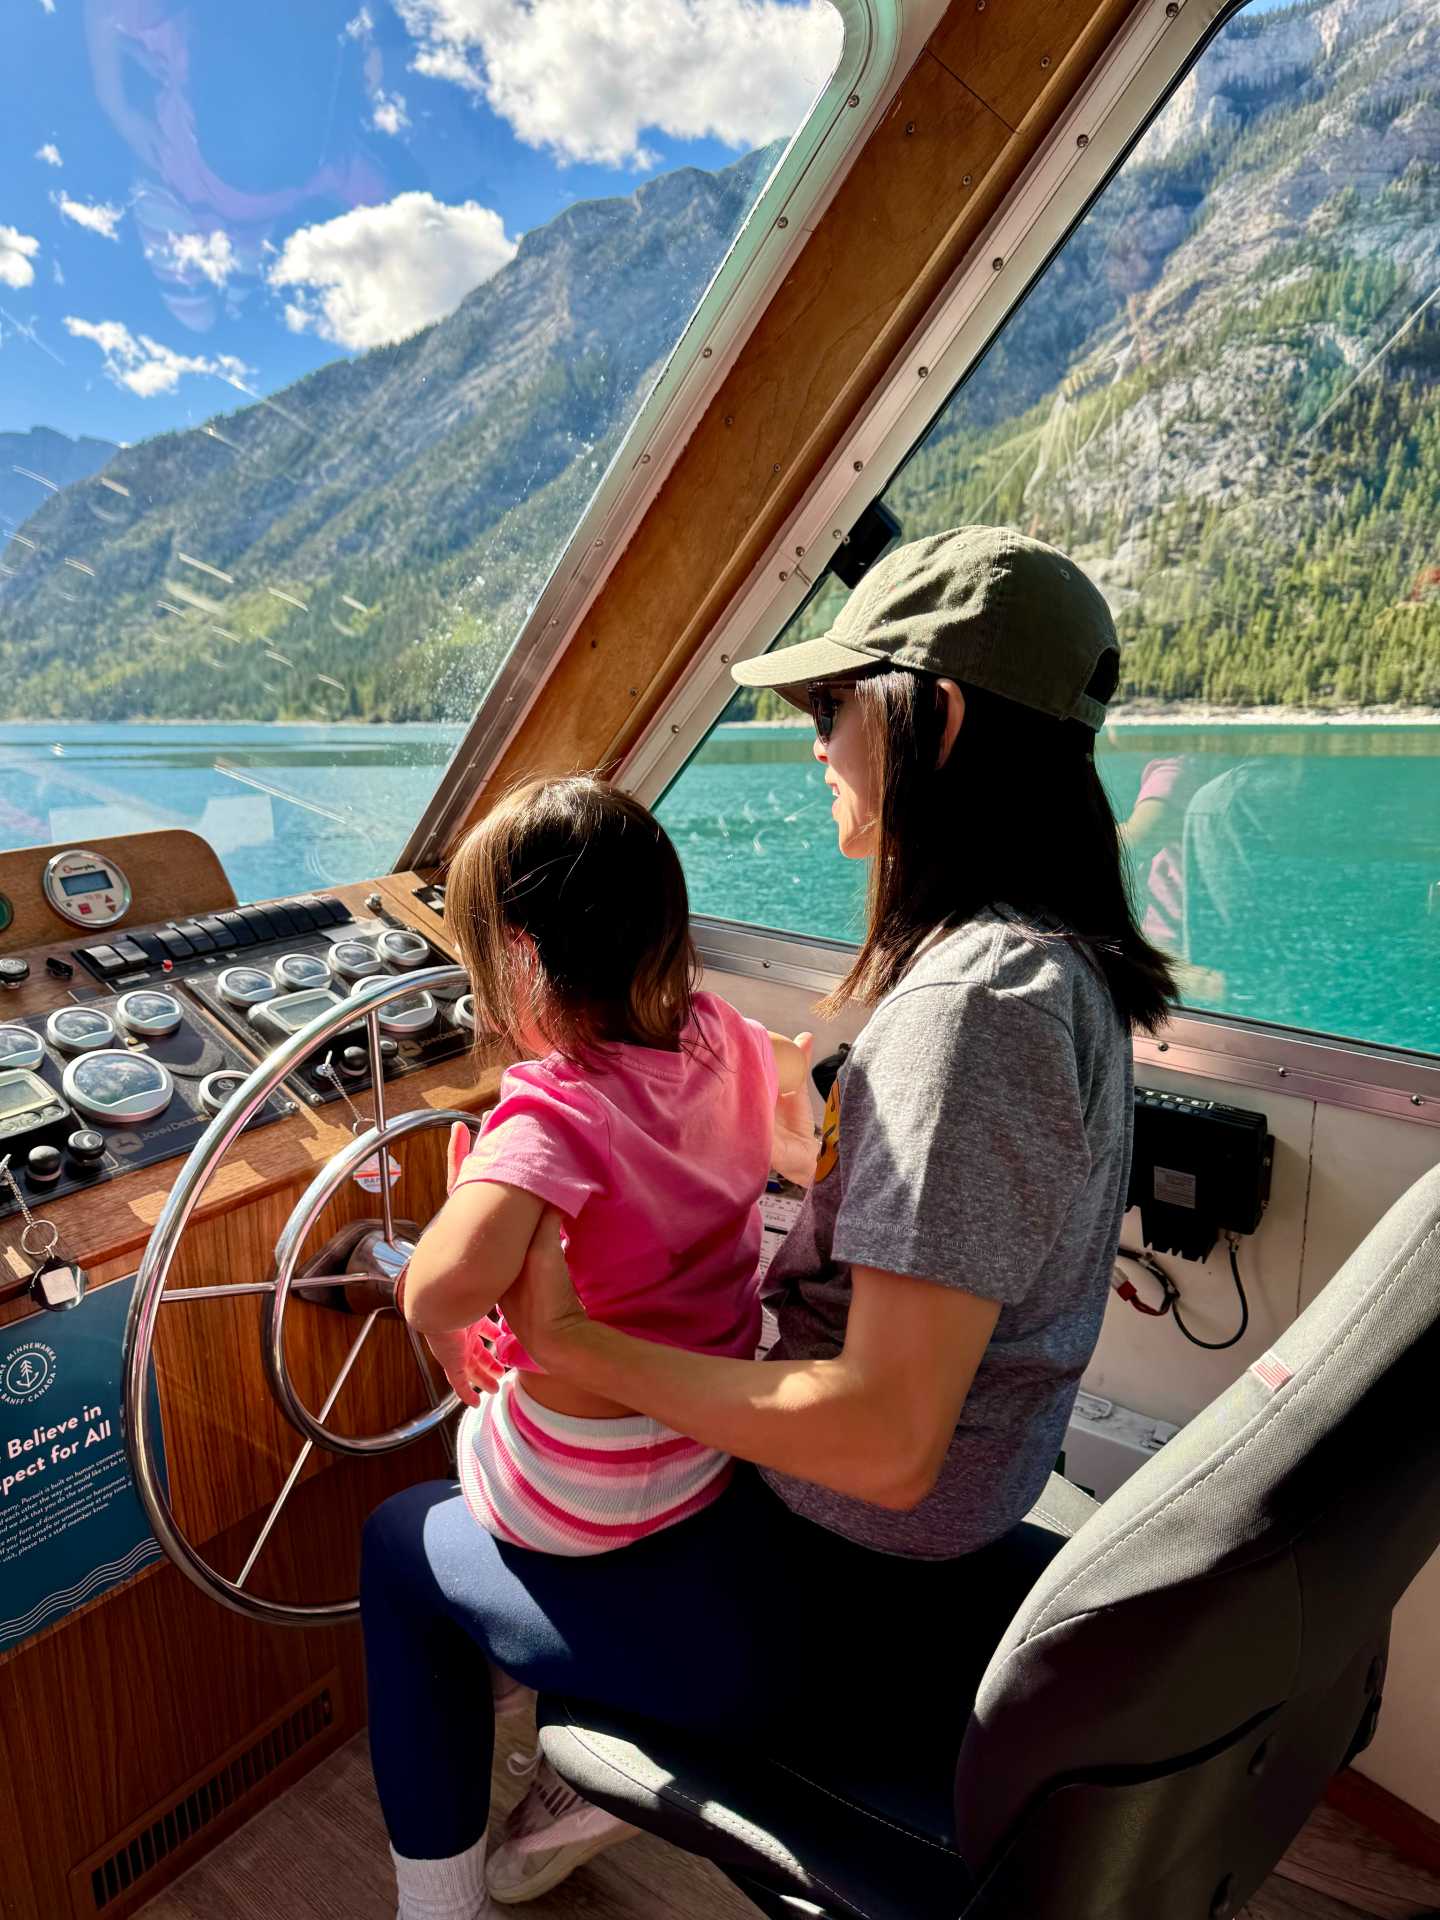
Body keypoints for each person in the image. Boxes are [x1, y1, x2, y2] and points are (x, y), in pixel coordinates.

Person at [361, 525, 1178, 1919]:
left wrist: (563, 1340)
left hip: (836, 1571)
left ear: (943, 717)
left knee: (399, 1543)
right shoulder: (1053, 966)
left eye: (828, 706)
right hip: (916, 1528)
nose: (813, 743)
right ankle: (585, 1766)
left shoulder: (971, 1011)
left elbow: (882, 1438)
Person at [400, 775, 815, 1559]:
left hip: (570, 1485)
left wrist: (466, 1201)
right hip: (707, 1442)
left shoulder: (549, 1115)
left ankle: (509, 1676)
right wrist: (785, 1100)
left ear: (517, 958)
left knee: (457, 1447)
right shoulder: (723, 1035)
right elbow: (788, 1069)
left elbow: (435, 1291)